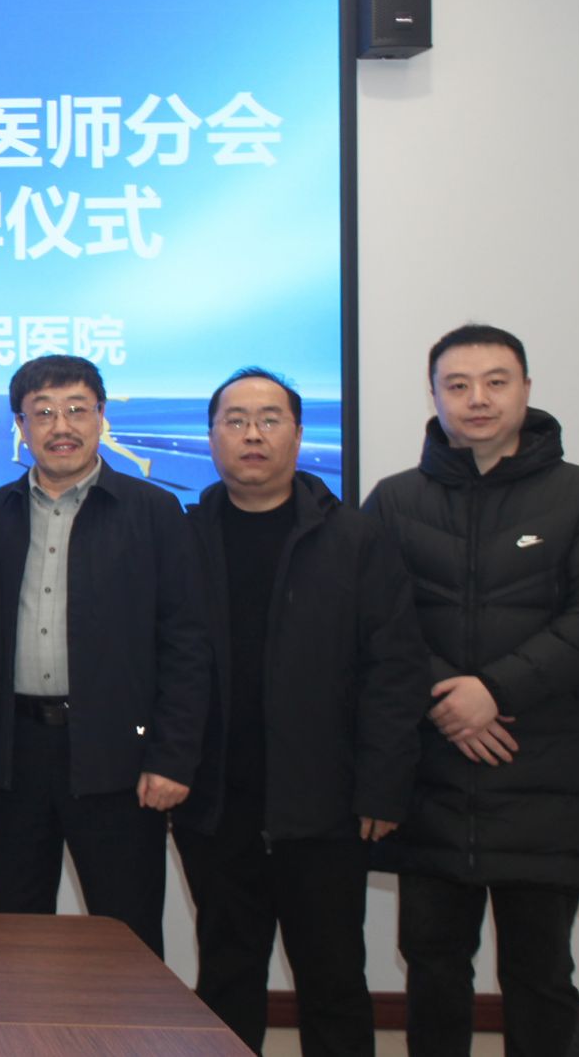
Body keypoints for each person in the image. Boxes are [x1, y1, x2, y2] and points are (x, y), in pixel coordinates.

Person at [363, 324, 579, 1057]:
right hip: (431, 776)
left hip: (544, 771)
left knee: (540, 972)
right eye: (457, 385)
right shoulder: (394, 501)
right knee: (432, 966)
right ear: (434, 396)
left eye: (495, 382)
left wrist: (494, 689)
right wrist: (446, 700)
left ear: (526, 389)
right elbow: (369, 622)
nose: (477, 399)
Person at [174, 368, 426, 1055]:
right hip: (216, 805)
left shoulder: (355, 540)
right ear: (212, 436)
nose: (251, 434)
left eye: (269, 419)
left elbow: (394, 672)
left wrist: (382, 787)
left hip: (327, 807)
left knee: (333, 980)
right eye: (234, 421)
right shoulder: (186, 536)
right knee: (226, 974)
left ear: (298, 432)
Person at [0, 354, 209, 957]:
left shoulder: (153, 511)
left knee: (127, 936)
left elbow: (186, 642)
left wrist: (172, 756)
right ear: (20, 426)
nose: (62, 426)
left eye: (77, 410)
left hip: (120, 756)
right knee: (17, 933)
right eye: (43, 413)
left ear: (101, 416)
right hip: (17, 757)